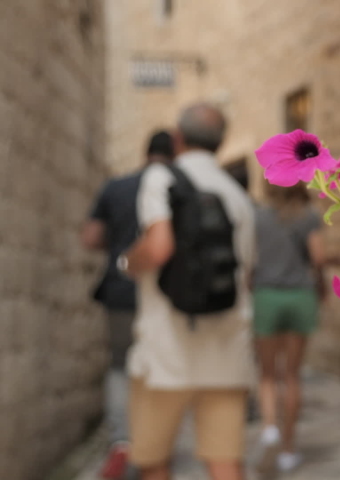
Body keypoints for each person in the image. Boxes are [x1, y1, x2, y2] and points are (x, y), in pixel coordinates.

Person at [119, 103, 256, 480]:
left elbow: (159, 246)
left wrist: (127, 263)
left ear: (178, 138)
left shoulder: (162, 178)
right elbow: (247, 275)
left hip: (165, 347)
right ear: (221, 142)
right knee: (225, 462)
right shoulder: (237, 194)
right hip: (226, 346)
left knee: (154, 460)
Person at [80, 130, 174, 480]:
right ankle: (157, 443)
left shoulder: (115, 187)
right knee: (159, 365)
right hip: (163, 295)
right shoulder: (177, 186)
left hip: (120, 292)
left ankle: (122, 440)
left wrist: (119, 248)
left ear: (145, 151)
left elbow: (90, 237)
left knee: (120, 364)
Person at [253, 181, 326, 472]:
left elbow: (249, 258)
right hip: (300, 295)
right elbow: (318, 257)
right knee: (292, 375)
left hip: (267, 294)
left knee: (268, 374)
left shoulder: (259, 216)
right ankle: (287, 449)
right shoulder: (308, 215)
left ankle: (270, 428)